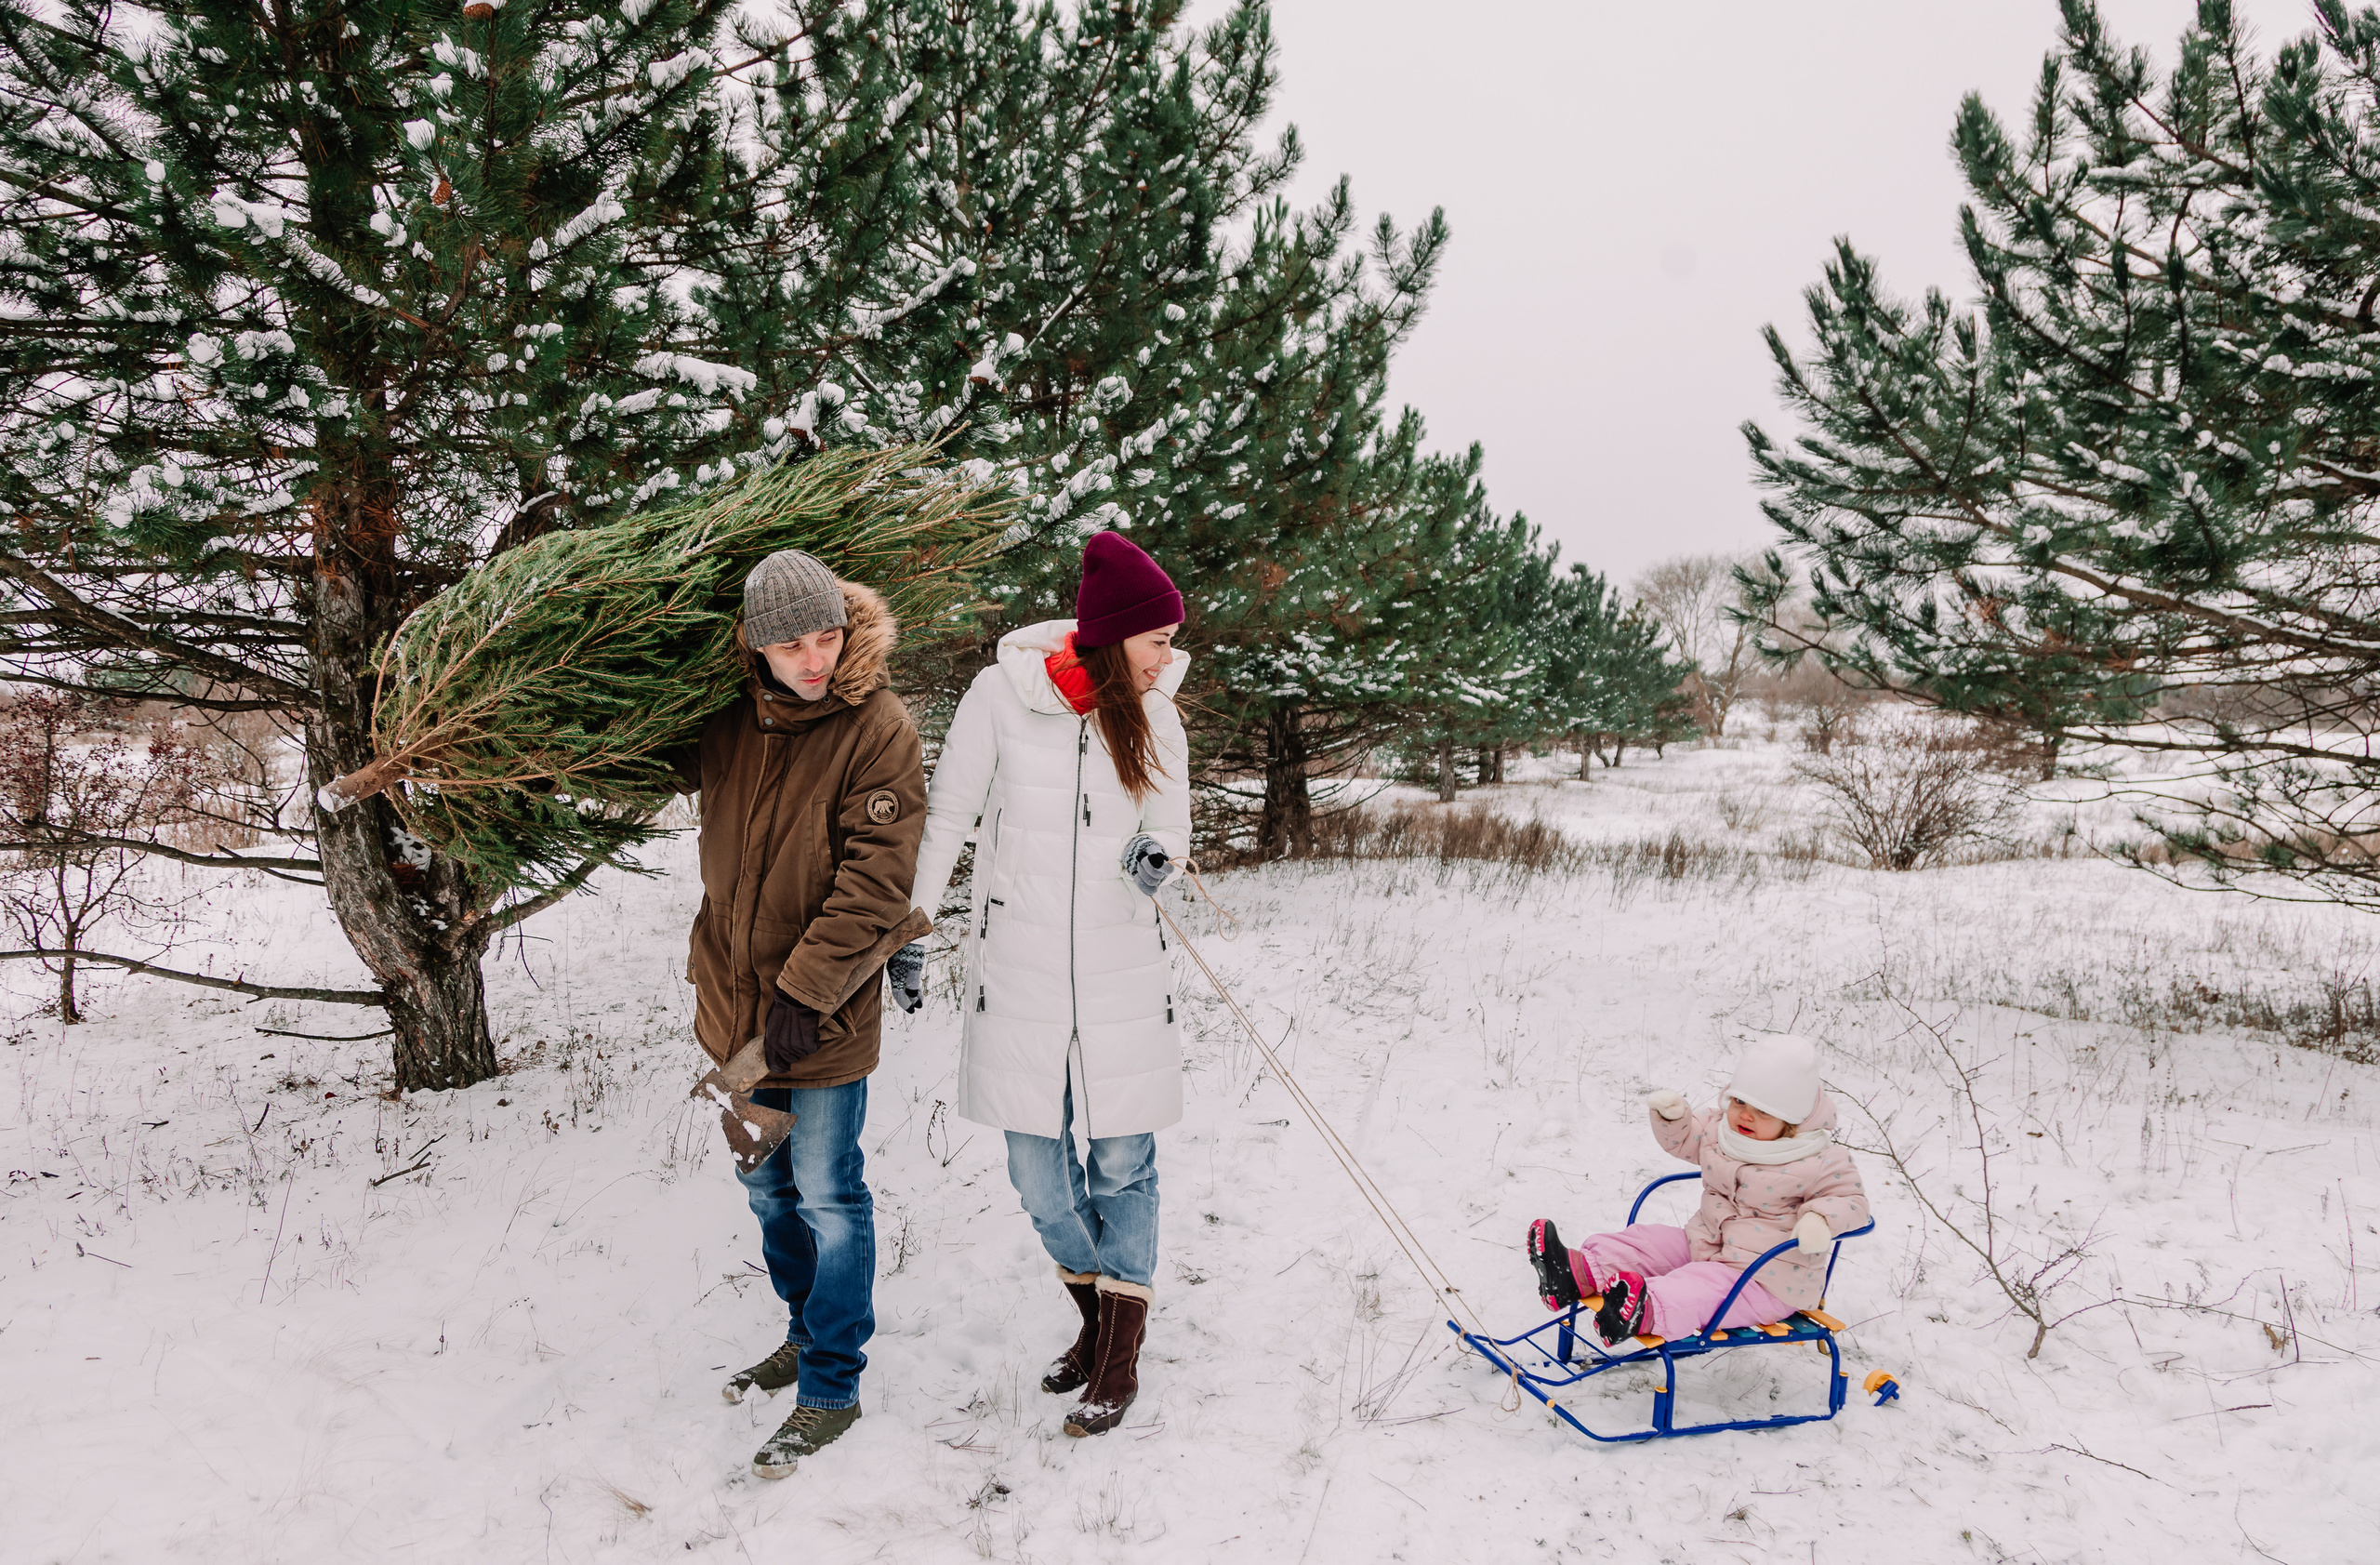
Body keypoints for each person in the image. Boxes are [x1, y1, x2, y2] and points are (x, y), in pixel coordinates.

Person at [909, 531, 1191, 1437]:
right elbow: (949, 811)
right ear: (1112, 635)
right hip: (1018, 973)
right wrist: (911, 927)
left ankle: (1117, 1359)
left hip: (1120, 973)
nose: (1170, 657)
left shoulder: (1158, 717)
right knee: (1039, 1174)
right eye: (1157, 641)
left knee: (1122, 1162)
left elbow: (1170, 834)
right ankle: (1099, 1318)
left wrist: (1157, 858)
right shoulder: (1002, 696)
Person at [670, 549, 932, 1479]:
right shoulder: (724, 720)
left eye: (827, 636)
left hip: (819, 1015)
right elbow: (629, 767)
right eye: (791, 644)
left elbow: (876, 882)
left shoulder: (877, 725)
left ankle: (831, 1381)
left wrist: (805, 994)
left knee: (827, 1193)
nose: (814, 659)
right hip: (731, 1010)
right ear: (754, 645)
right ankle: (799, 1325)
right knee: (763, 1187)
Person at [1526, 1035, 1870, 1345]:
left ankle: (1642, 1309)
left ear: (1792, 1121)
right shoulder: (1722, 1130)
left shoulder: (1821, 1159)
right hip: (1704, 1242)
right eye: (1739, 1103)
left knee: (1701, 1287)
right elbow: (1689, 1140)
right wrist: (1674, 1119)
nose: (1745, 1116)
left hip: (1768, 1278)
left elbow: (1851, 1200)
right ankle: (1575, 1273)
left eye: (1762, 1111)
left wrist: (1820, 1219)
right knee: (1649, 1241)